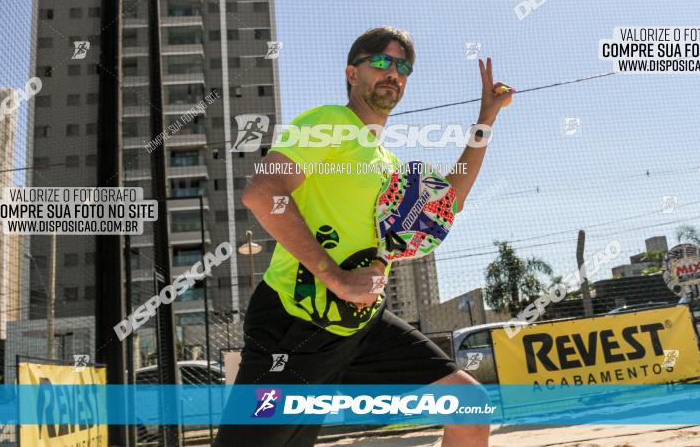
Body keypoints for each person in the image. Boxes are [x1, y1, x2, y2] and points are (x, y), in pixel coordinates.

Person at [213, 26, 514, 446]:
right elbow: (262, 193)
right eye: (381, 62)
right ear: (352, 74)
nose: (394, 72)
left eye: (403, 66)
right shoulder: (329, 124)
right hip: (296, 323)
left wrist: (487, 117)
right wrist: (335, 277)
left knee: (468, 404)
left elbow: (448, 203)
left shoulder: (388, 163)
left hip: (361, 325)